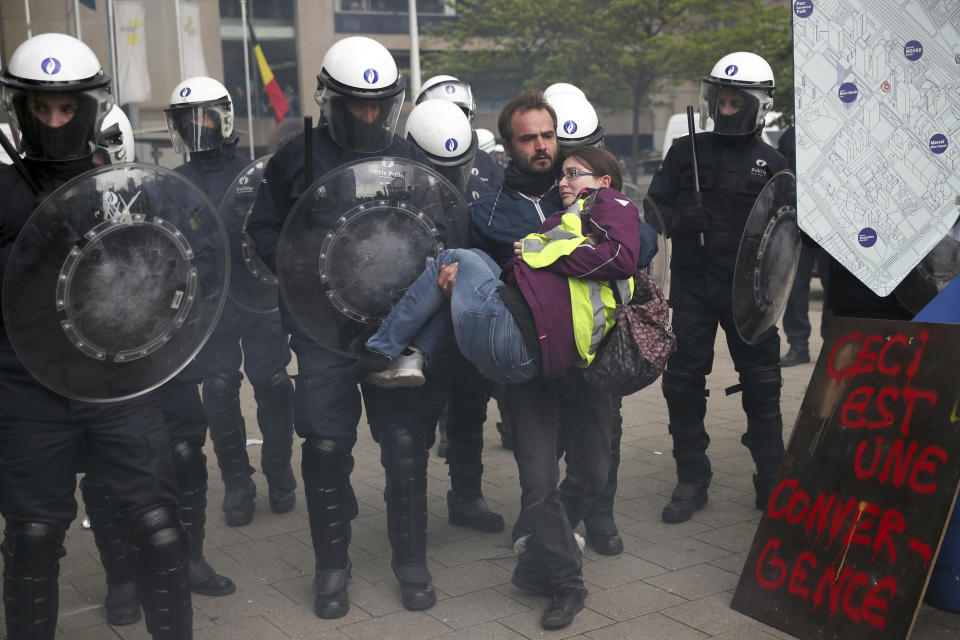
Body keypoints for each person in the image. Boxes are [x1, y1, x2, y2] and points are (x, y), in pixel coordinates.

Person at [345, 148, 644, 630]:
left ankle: (533, 565)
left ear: (603, 180)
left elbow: (625, 256)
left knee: (592, 472)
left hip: (582, 370)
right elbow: (521, 273)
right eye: (561, 174)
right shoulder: (557, 218)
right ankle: (567, 582)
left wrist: (544, 251)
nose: (562, 182)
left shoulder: (612, 207)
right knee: (538, 483)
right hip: (530, 357)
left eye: (573, 175)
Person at [0, 33, 192, 639]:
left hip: (117, 381)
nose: (55, 122)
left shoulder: (126, 188)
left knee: (159, 528)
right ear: (21, 109)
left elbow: (167, 277)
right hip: (25, 386)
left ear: (87, 109)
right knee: (31, 539)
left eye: (66, 109)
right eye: (41, 108)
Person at [245, 36, 438, 619]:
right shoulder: (293, 157)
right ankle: (332, 568)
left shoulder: (412, 156)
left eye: (380, 104)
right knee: (326, 449)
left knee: (405, 448)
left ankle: (411, 562)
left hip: (393, 323)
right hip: (322, 328)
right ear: (331, 99)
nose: (370, 115)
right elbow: (260, 231)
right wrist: (302, 259)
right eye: (358, 104)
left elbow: (438, 228)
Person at [79, 88, 236, 629]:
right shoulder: (54, 201)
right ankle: (121, 577)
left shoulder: (156, 192)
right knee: (103, 472)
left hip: (160, 350)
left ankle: (187, 559)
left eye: (99, 152)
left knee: (187, 451)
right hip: (91, 361)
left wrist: (189, 310)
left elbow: (200, 255)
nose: (92, 163)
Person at [647, 51, 789, 524]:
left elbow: (790, 232)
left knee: (764, 384)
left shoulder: (775, 164)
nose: (725, 109)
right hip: (692, 288)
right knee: (683, 383)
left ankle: (772, 480)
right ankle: (691, 477)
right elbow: (653, 209)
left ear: (757, 105)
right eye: (719, 100)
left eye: (735, 103)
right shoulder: (685, 151)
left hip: (750, 293)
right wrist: (679, 219)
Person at [165, 76, 297, 527]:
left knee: (275, 385)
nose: (195, 126)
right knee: (219, 393)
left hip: (260, 300)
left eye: (203, 116)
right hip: (211, 307)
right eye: (187, 119)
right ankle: (238, 483)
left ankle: (279, 471)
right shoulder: (173, 183)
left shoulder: (256, 171)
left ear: (223, 118)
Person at [403, 99, 504, 533]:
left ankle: (467, 498)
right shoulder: (390, 180)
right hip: (418, 325)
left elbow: (499, 233)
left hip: (467, 318)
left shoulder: (489, 172)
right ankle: (409, 512)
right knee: (414, 424)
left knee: (469, 410)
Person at [416, 74, 504, 189]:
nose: (452, 120)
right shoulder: (411, 155)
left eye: (459, 112)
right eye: (443, 113)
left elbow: (496, 199)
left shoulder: (483, 160)